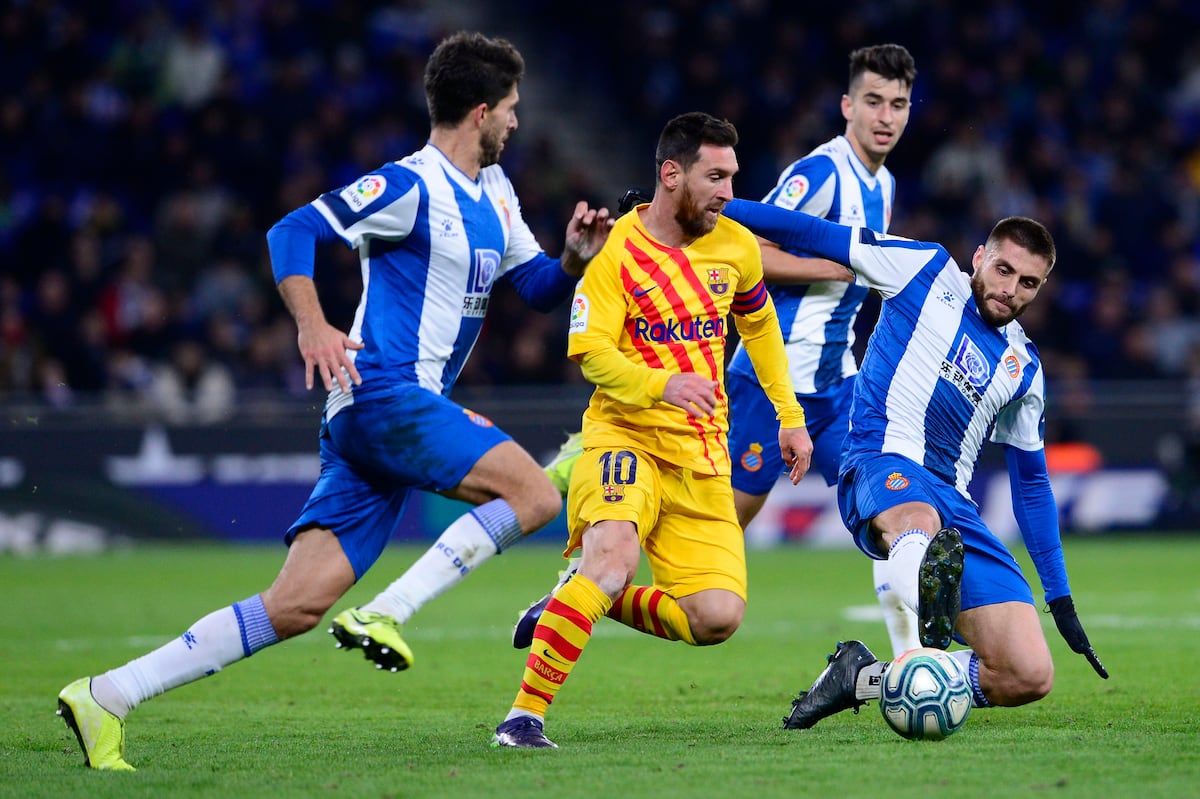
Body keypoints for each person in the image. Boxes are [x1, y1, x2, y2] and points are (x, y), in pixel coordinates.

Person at [56, 30, 613, 771]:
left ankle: (107, 695)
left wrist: (575, 256)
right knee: (535, 493)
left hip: (382, 420)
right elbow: (292, 230)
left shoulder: (500, 195)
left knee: (296, 603)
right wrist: (313, 323)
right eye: (510, 108)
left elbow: (540, 289)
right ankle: (389, 609)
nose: (517, 121)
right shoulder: (409, 185)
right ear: (481, 112)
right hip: (384, 393)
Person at [520, 44, 923, 659]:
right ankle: (588, 584)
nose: (885, 117)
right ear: (847, 106)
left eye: (897, 104)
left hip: (837, 381)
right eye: (873, 101)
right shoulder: (821, 174)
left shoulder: (884, 182)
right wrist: (832, 266)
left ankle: (908, 657)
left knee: (889, 498)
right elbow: (743, 245)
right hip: (766, 377)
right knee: (723, 526)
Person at [718, 199, 1108, 730]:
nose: (1011, 290)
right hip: (882, 463)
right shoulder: (921, 269)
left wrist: (1059, 596)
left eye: (1029, 283)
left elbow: (1032, 486)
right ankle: (928, 601)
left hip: (956, 503)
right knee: (917, 522)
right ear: (979, 258)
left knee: (1028, 674)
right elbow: (810, 231)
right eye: (1004, 270)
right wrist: (711, 207)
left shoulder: (1025, 368)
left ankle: (863, 677)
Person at [491, 112, 814, 749]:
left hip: (700, 454)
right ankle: (522, 718)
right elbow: (589, 352)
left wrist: (791, 416)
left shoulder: (737, 247)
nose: (728, 192)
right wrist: (663, 384)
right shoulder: (615, 250)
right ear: (671, 175)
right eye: (715, 177)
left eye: (733, 178)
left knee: (716, 619)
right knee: (612, 561)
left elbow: (761, 331)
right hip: (624, 438)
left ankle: (575, 600)